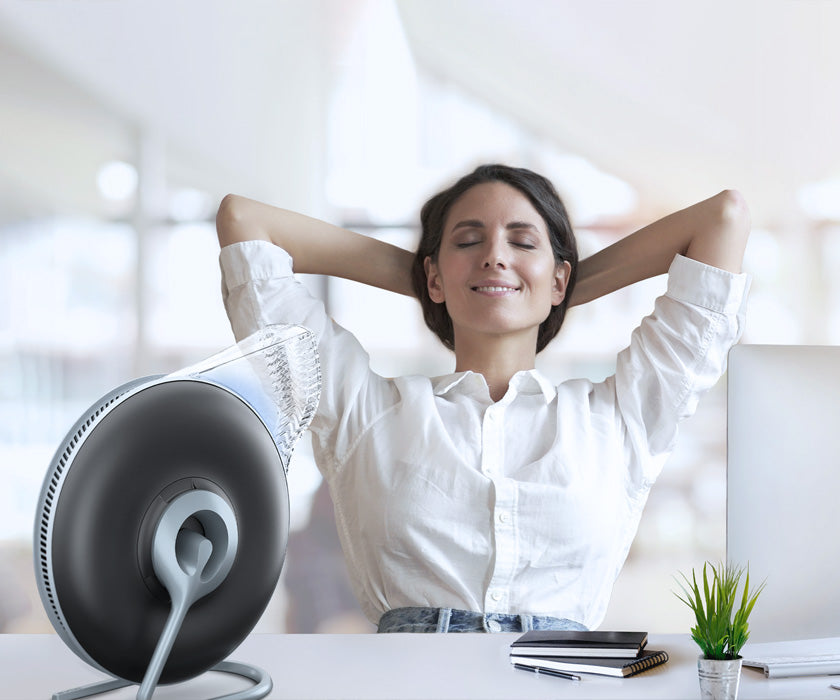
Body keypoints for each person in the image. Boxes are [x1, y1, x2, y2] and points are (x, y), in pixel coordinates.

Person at [216, 164, 751, 634]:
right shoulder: (363, 410)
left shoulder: (619, 419)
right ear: (433, 275)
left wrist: (545, 289)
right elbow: (245, 224)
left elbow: (721, 219)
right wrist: (448, 280)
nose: (495, 255)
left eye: (522, 242)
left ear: (561, 279)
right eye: (469, 241)